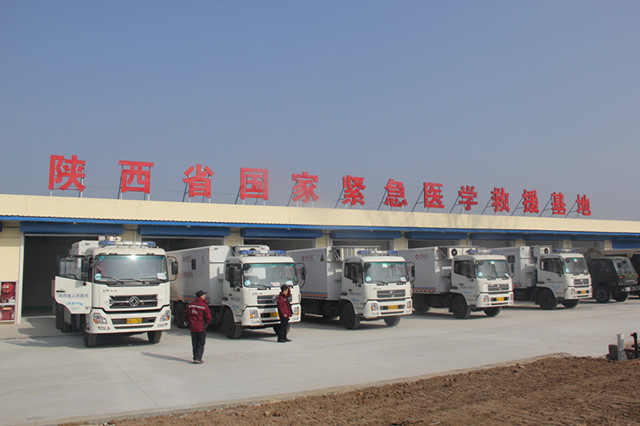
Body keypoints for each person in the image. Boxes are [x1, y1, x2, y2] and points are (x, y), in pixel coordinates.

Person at [184, 290, 211, 363]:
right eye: (204, 295)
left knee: (194, 343)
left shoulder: (191, 305)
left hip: (192, 327)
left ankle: (195, 357)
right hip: (201, 327)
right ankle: (198, 358)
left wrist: (186, 321)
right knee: (201, 343)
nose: (204, 296)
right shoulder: (204, 305)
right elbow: (208, 316)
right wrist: (207, 323)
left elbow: (186, 314)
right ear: (201, 296)